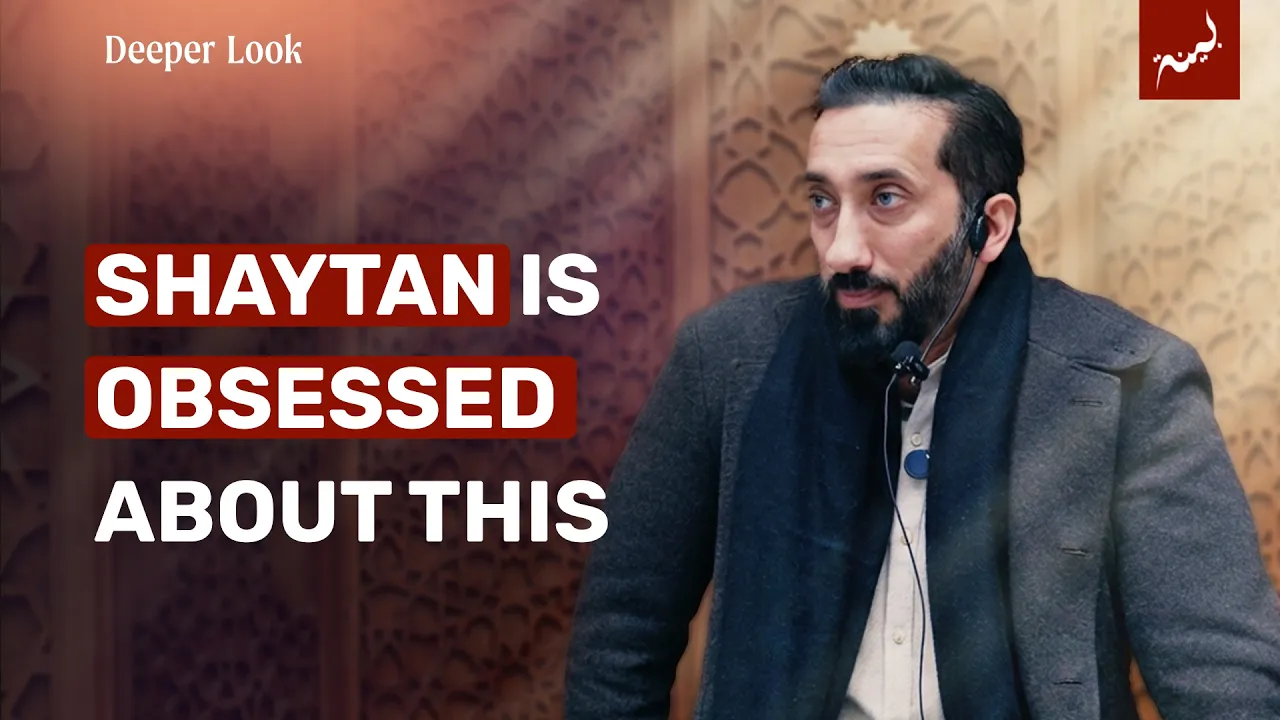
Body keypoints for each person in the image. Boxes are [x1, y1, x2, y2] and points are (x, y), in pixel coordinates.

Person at [562, 54, 1280, 720]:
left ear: (988, 227)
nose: (842, 249)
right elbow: (622, 634)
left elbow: (1226, 686)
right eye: (822, 201)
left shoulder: (1133, 381)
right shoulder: (725, 357)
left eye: (886, 198)